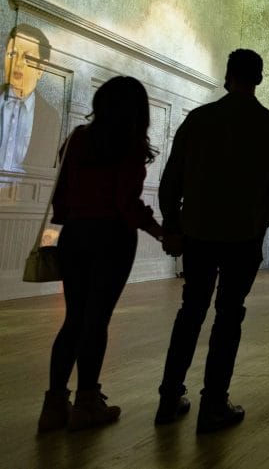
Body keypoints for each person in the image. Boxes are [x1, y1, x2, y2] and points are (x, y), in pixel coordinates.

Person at [155, 49, 269, 434]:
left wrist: (172, 223)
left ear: (227, 75)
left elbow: (171, 180)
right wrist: (263, 212)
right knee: (229, 314)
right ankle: (213, 404)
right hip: (243, 235)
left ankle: (169, 398)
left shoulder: (199, 119)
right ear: (259, 78)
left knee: (191, 311)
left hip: (198, 232)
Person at [38, 76, 163, 432]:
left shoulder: (79, 138)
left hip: (76, 234)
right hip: (112, 237)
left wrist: (70, 221)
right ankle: (87, 403)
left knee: (74, 319)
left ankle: (54, 406)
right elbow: (126, 202)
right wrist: (159, 232)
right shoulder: (128, 144)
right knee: (96, 320)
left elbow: (62, 191)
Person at [1, 24, 61, 172]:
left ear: (41, 68)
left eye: (27, 58)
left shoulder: (51, 118)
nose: (17, 64)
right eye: (12, 54)